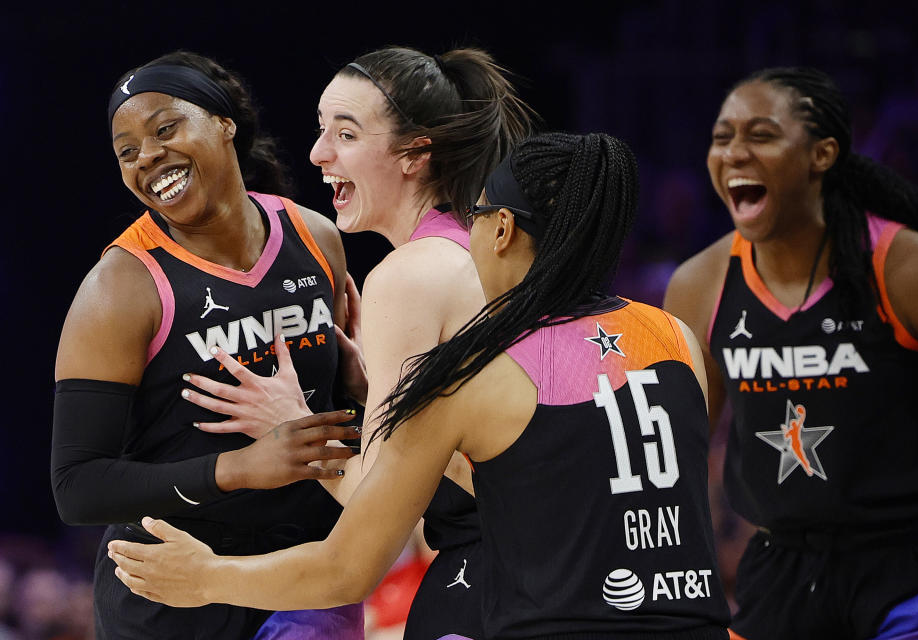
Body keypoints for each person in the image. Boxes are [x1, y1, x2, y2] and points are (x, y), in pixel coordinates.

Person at [108, 131, 732, 640]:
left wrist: (207, 578)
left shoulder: (471, 373)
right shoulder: (680, 341)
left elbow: (348, 569)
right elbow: (568, 473)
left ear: (502, 230)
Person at [173, 45, 534, 639]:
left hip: (505, 576)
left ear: (416, 153)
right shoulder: (468, 246)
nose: (318, 153)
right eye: (321, 130)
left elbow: (382, 509)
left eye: (345, 133)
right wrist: (376, 392)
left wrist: (290, 423)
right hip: (542, 564)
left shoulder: (409, 274)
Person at [52, 51, 365, 639]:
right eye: (127, 151)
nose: (147, 156)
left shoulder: (316, 236)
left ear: (224, 123)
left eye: (165, 128)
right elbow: (77, 487)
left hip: (304, 578)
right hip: (168, 592)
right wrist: (240, 468)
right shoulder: (120, 287)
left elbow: (344, 407)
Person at [663, 67, 918, 639]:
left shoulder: (908, 268)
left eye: (761, 135)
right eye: (722, 138)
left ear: (822, 154)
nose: (734, 153)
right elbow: (678, 455)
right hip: (782, 574)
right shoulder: (700, 285)